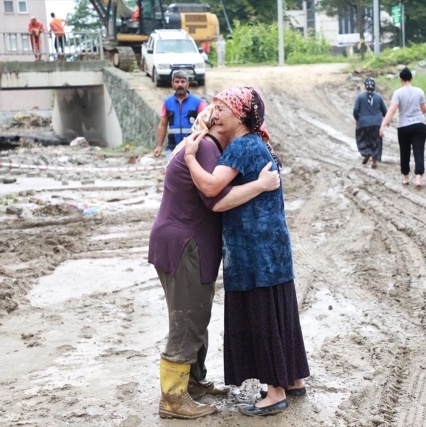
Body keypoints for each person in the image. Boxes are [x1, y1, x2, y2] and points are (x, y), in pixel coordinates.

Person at [148, 103, 281, 420]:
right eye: (217, 110)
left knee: (197, 315)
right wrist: (260, 185)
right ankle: (173, 398)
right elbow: (216, 199)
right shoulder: (206, 148)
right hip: (185, 243)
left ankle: (193, 384)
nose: (218, 114)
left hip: (187, 243)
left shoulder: (206, 145)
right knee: (187, 320)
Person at [184, 87, 310, 417]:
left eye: (222, 107)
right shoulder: (254, 143)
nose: (216, 112)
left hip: (255, 250)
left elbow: (212, 189)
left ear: (239, 115)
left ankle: (275, 392)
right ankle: (291, 378)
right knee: (278, 310)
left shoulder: (241, 146)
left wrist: (187, 157)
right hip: (272, 249)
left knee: (263, 316)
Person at [380, 67, 426, 188]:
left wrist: (383, 125)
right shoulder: (420, 91)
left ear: (400, 79)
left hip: (404, 127)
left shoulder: (398, 93)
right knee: (418, 151)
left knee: (404, 151)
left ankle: (406, 178)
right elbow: (424, 110)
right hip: (419, 125)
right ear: (411, 78)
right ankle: (418, 179)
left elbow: (392, 110)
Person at [154, 70, 206, 163]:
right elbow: (162, 125)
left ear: (187, 84)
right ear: (172, 84)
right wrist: (159, 146)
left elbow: (204, 126)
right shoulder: (167, 103)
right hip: (172, 147)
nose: (180, 84)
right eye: (177, 82)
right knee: (169, 172)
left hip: (193, 147)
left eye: (183, 82)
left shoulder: (198, 103)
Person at [353, 77, 387, 169]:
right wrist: (386, 120)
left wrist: (357, 119)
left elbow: (356, 110)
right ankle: (374, 162)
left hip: (363, 123)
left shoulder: (360, 97)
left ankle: (367, 153)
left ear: (365, 87)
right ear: (374, 87)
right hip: (376, 123)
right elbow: (384, 111)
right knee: (376, 142)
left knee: (363, 140)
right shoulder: (378, 97)